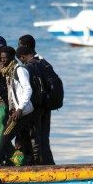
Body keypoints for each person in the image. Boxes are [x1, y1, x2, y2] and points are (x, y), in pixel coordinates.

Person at [0, 46, 34, 166]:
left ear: (12, 57)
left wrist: (20, 108)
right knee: (25, 138)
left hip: (23, 111)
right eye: (1, 58)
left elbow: (27, 89)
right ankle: (28, 162)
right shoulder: (9, 72)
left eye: (5, 58)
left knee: (4, 137)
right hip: (18, 110)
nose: (3, 60)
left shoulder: (19, 70)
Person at [18, 35, 56, 165]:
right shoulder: (44, 62)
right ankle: (49, 163)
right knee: (44, 137)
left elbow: (29, 88)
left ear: (26, 48)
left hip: (36, 106)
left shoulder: (30, 66)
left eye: (20, 46)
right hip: (47, 104)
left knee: (35, 137)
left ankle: (38, 165)